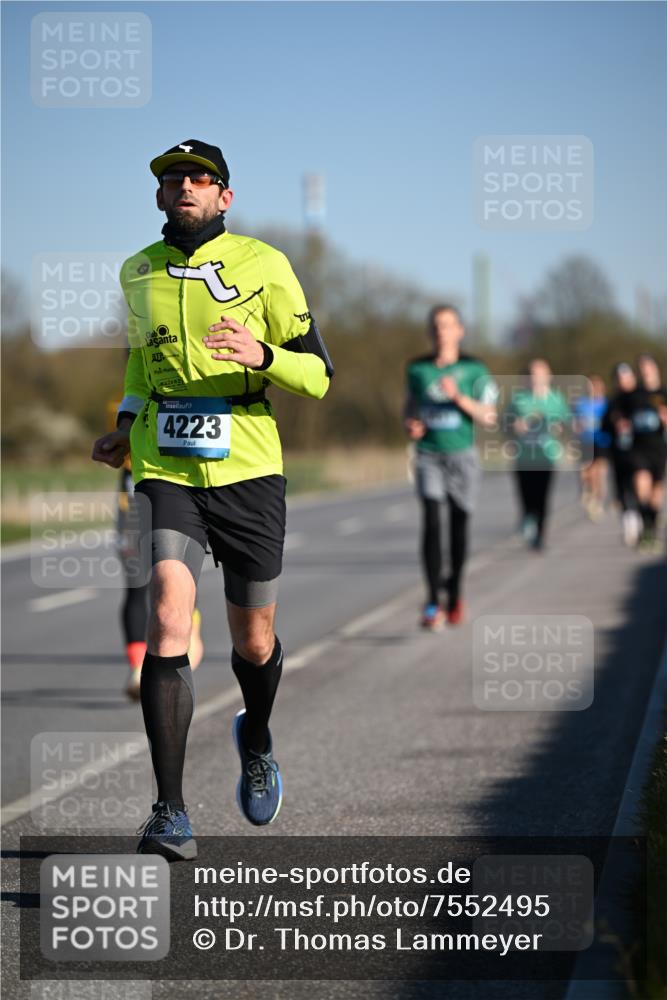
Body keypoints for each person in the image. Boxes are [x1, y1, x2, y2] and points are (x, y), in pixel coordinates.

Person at [92, 140, 333, 860]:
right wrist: (126, 424)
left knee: (252, 640)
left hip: (249, 465)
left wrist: (262, 357)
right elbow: (141, 358)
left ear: (224, 197)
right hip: (167, 464)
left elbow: (318, 374)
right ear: (160, 197)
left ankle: (254, 738)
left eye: (201, 178)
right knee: (169, 612)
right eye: (173, 179)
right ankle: (169, 810)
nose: (186, 186)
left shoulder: (266, 265)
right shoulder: (138, 271)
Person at [404, 305, 497, 631]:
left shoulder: (475, 369)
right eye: (436, 326)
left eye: (448, 325)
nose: (441, 331)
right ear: (430, 332)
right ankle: (432, 601)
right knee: (431, 521)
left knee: (459, 528)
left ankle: (455, 590)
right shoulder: (417, 369)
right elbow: (410, 409)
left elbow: (489, 415)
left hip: (463, 457)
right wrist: (411, 425)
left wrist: (458, 397)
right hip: (429, 455)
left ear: (460, 330)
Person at [107, 401, 204, 700]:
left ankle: (188, 627)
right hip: (137, 499)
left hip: (173, 493)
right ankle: (140, 668)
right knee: (144, 586)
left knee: (170, 582)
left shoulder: (183, 391)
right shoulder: (124, 403)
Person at [507, 359, 571, 551]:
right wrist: (514, 426)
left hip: (546, 457)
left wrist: (560, 427)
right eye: (533, 374)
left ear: (548, 376)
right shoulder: (519, 399)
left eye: (540, 374)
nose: (536, 378)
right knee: (526, 496)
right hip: (524, 457)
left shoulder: (556, 399)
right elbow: (505, 423)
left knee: (542, 497)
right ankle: (528, 521)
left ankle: (540, 536)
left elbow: (567, 422)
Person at [615, 354, 667, 549]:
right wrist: (621, 423)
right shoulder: (633, 395)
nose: (645, 370)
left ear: (655, 369)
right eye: (642, 367)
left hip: (659, 449)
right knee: (641, 487)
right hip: (638, 449)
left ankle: (651, 530)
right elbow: (620, 417)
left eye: (648, 366)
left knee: (656, 496)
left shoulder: (663, 394)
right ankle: (645, 527)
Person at [603, 363, 642, 546]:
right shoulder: (613, 403)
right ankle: (629, 521)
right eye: (619, 379)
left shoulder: (642, 398)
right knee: (621, 490)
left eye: (626, 378)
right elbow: (604, 429)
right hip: (619, 453)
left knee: (638, 488)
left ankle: (641, 519)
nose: (623, 382)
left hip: (641, 452)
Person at [573, 375, 610, 521]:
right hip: (585, 442)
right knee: (584, 473)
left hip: (602, 442)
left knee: (597, 472)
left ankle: (597, 500)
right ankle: (588, 491)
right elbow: (574, 423)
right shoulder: (581, 404)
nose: (592, 388)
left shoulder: (606, 404)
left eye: (595, 385)